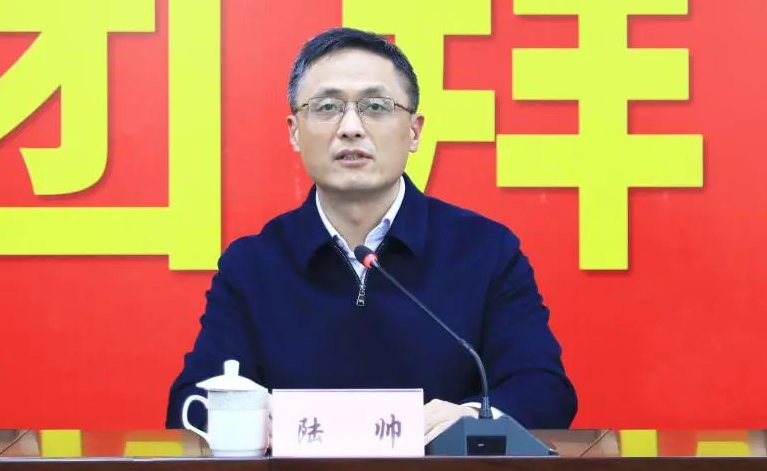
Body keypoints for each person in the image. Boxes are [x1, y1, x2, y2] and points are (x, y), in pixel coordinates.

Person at [166, 27, 577, 442]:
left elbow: (544, 389)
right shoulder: (253, 265)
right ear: (294, 131)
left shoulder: (485, 251)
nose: (350, 127)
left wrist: (473, 418)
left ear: (414, 131)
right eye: (327, 107)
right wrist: (243, 418)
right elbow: (190, 402)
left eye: (376, 106)